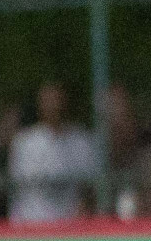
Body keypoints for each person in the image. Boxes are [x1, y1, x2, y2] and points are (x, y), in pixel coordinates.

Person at [8, 81, 99, 223]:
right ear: (39, 105)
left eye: (56, 100)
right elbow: (18, 188)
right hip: (32, 225)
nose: (53, 106)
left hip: (71, 227)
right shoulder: (25, 142)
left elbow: (91, 188)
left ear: (64, 102)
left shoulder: (81, 141)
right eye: (47, 101)